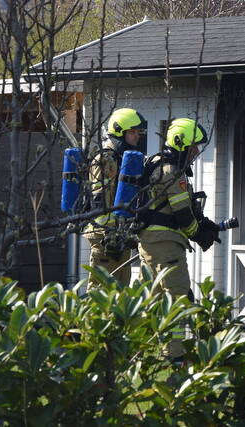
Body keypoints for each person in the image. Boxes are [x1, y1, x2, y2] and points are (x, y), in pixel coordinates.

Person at [137, 117, 217, 361]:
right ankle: (174, 355)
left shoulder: (157, 164)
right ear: (181, 143)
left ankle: (138, 351)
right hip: (166, 244)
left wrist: (203, 224)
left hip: (150, 242)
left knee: (151, 298)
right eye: (193, 147)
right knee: (177, 296)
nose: (196, 152)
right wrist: (199, 234)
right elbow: (182, 215)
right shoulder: (171, 172)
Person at [85, 107, 147, 289]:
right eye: (133, 132)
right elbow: (99, 201)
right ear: (120, 131)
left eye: (138, 132)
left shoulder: (122, 159)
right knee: (100, 291)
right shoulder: (105, 159)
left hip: (120, 234)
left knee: (121, 291)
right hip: (106, 236)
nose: (137, 136)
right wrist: (110, 232)